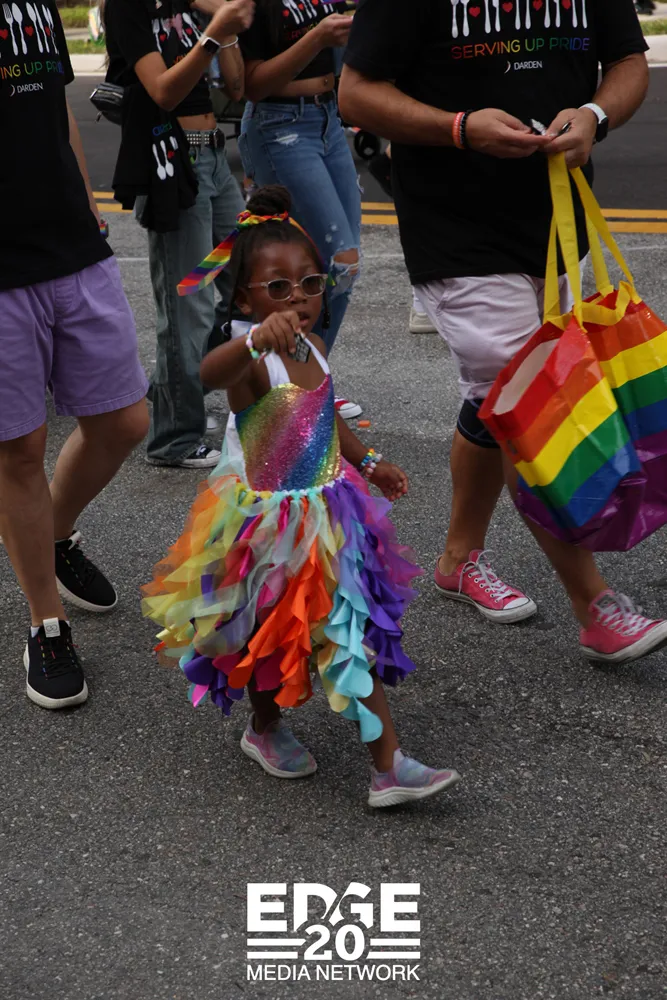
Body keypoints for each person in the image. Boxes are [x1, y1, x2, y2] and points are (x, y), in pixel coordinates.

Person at [339, 1, 667, 663]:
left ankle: (458, 557)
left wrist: (595, 114)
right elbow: (357, 92)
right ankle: (595, 607)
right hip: (455, 230)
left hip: (557, 222)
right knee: (534, 403)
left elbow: (628, 60)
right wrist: (459, 128)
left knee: (493, 398)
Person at [142, 186, 460, 807]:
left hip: (329, 513)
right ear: (244, 298)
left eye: (310, 284)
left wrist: (369, 462)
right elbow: (207, 375)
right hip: (269, 528)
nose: (298, 298)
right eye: (278, 287)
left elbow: (326, 413)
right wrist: (254, 340)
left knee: (348, 630)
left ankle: (389, 765)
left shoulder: (311, 347)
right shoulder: (253, 361)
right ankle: (264, 728)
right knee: (264, 635)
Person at [0, 0, 149, 710]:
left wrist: (86, 199)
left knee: (123, 421)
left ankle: (55, 534)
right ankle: (46, 624)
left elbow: (55, 104)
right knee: (18, 449)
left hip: (71, 245)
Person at [104, 0, 254, 469]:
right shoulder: (128, 8)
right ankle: (174, 437)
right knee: (189, 302)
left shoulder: (192, 6)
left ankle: (176, 391)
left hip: (214, 160)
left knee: (243, 278)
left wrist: (222, 22)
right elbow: (164, 92)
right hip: (173, 164)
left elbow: (237, 86)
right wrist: (213, 34)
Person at [237, 0, 363, 420]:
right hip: (279, 125)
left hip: (328, 121)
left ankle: (307, 381)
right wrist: (318, 38)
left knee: (339, 270)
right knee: (326, 264)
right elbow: (252, 85)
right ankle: (285, 386)